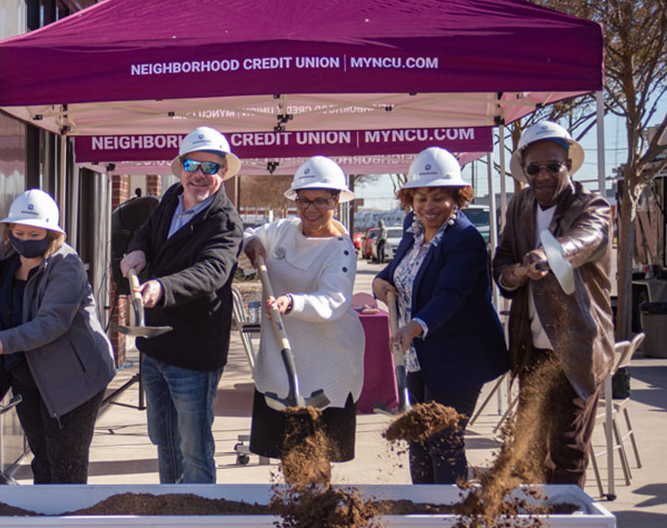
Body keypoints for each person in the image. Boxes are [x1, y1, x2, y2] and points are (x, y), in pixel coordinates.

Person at [372, 147, 509, 484]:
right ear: (410, 199)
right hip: (420, 358)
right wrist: (381, 281)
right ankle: (424, 513)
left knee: (442, 440)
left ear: (456, 198)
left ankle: (452, 517)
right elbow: (398, 270)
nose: (428, 206)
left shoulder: (465, 240)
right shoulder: (412, 227)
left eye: (438, 197)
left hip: (459, 359)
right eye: (421, 197)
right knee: (419, 438)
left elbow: (451, 294)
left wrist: (415, 326)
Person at [119, 126, 244, 484]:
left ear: (223, 172)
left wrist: (163, 286)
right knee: (164, 441)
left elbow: (212, 272)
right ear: (180, 167)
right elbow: (146, 230)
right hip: (155, 346)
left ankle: (199, 518)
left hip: (193, 354)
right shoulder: (173, 197)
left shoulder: (224, 222)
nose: (200, 175)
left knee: (194, 449)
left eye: (211, 167)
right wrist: (137, 249)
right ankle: (169, 506)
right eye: (193, 164)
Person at [493, 121, 613, 488]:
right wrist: (514, 274)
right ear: (524, 169)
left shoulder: (592, 205)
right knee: (528, 450)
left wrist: (550, 254)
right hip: (532, 353)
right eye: (534, 168)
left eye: (553, 166)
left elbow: (590, 238)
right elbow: (502, 261)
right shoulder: (521, 204)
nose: (543, 175)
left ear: (569, 166)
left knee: (567, 450)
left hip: (575, 350)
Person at [0, 190, 116, 484]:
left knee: (65, 463)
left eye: (34, 233)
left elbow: (53, 322)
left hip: (73, 379)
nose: (25, 239)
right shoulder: (5, 258)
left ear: (51, 234)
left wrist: (5, 341)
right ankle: (43, 522)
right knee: (42, 456)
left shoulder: (66, 265)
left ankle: (67, 525)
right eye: (19, 232)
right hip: (28, 375)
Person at [242, 156, 364, 464]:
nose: (310, 210)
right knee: (288, 457)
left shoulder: (342, 250)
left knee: (318, 458)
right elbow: (246, 235)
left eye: (321, 201)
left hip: (328, 363)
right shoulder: (284, 230)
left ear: (337, 200)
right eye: (304, 201)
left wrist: (291, 303)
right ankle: (292, 509)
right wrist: (252, 243)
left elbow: (333, 301)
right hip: (282, 363)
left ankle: (317, 509)